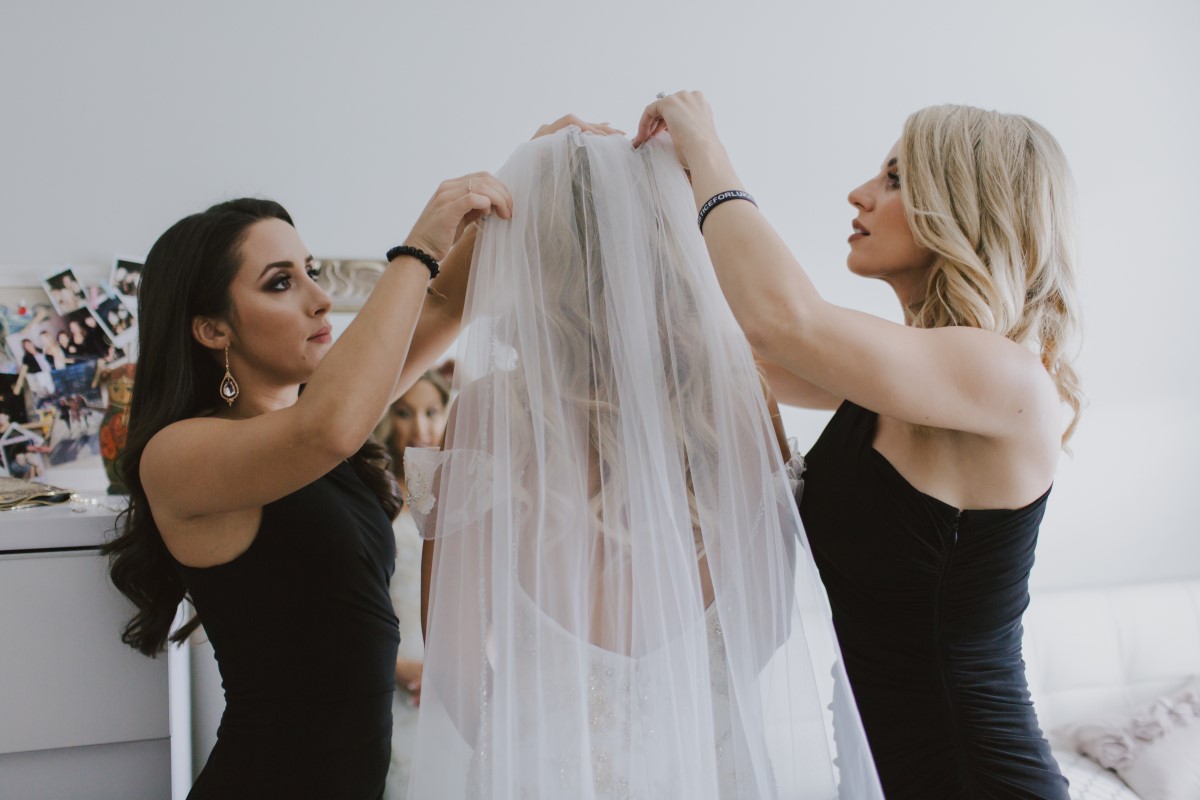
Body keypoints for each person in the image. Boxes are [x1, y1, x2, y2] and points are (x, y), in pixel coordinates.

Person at [408, 127, 882, 799]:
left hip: (540, 776)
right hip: (715, 771)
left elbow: (452, 671)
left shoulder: (483, 414)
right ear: (674, 246)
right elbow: (772, 624)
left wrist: (540, 740)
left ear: (530, 261)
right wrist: (687, 709)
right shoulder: (741, 402)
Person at [634, 94, 1080, 798]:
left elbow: (780, 321)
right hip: (881, 776)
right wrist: (635, 198)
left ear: (964, 208)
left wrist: (703, 146)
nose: (860, 194)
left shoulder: (1006, 378)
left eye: (896, 180)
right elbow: (710, 353)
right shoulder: (892, 382)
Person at [100, 174, 512, 798]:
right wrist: (420, 242)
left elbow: (446, 305)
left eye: (312, 271)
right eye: (281, 283)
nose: (321, 300)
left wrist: (532, 172)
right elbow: (331, 429)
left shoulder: (316, 419)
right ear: (213, 329)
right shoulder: (178, 454)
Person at [374, 365, 452, 799]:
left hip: (454, 676)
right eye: (405, 413)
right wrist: (397, 670)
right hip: (391, 674)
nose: (421, 427)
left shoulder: (460, 493)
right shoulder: (375, 498)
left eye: (432, 411)